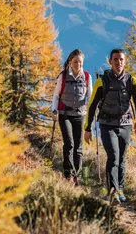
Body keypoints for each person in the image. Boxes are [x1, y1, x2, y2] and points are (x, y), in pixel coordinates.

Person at [83, 48, 136, 203]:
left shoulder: (131, 80)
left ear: (125, 61)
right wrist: (88, 128)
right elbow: (92, 106)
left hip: (126, 124)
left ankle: (120, 188)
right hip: (106, 124)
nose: (119, 62)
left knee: (122, 158)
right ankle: (112, 191)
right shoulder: (101, 82)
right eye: (115, 59)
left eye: (121, 59)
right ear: (110, 62)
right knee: (114, 157)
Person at [51, 48, 92, 185]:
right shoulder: (63, 76)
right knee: (69, 144)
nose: (78, 64)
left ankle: (77, 175)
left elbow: (90, 97)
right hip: (65, 114)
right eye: (75, 62)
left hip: (80, 114)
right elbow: (56, 96)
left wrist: (93, 113)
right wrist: (54, 110)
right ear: (70, 62)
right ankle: (68, 174)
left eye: (80, 62)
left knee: (78, 146)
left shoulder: (87, 77)